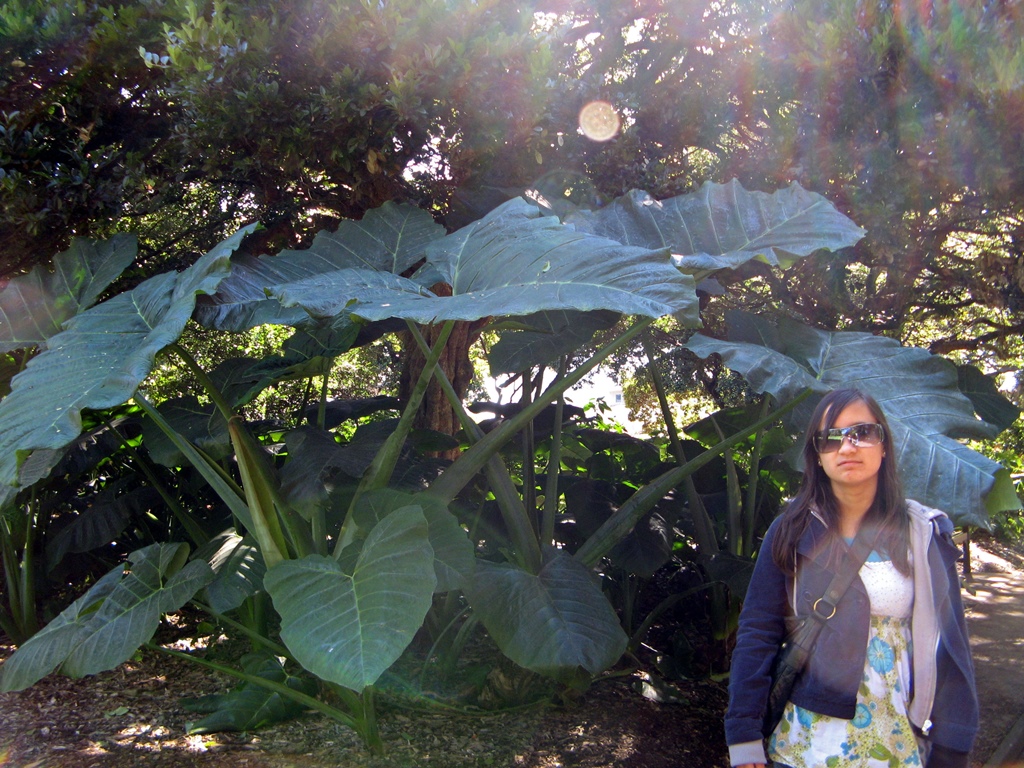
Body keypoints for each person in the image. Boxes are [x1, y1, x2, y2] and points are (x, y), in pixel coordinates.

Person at [724, 388, 978, 768]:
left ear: (885, 444)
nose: (847, 447)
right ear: (817, 456)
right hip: (805, 742)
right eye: (830, 438)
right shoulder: (793, 530)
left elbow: (951, 642)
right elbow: (758, 633)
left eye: (862, 432)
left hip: (896, 740)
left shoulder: (924, 534)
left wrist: (953, 743)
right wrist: (743, 735)